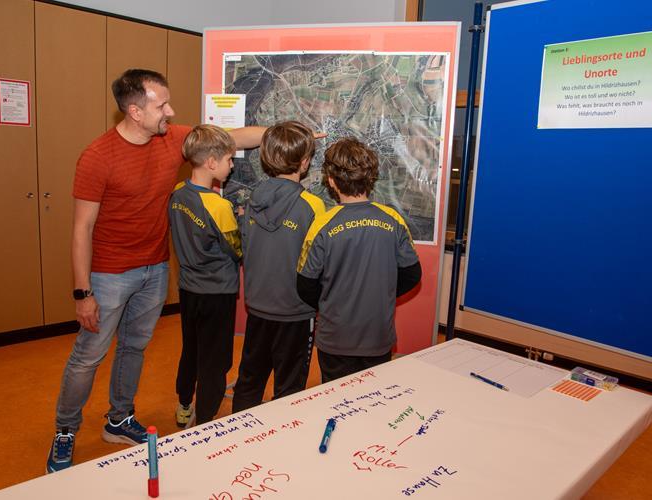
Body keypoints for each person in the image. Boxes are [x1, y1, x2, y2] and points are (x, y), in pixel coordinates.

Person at [47, 69, 265, 473]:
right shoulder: (97, 157)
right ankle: (65, 430)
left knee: (134, 348)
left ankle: (119, 417)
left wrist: (282, 133)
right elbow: (82, 228)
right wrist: (83, 293)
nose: (171, 111)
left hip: (155, 270)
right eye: (161, 105)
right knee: (88, 356)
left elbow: (230, 138)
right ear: (134, 111)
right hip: (109, 276)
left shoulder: (172, 138)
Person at [296, 138, 422, 383]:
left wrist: (329, 302)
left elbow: (305, 284)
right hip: (378, 336)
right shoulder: (392, 219)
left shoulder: (322, 224)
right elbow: (412, 274)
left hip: (335, 336)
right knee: (373, 401)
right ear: (370, 178)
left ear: (331, 181)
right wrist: (380, 295)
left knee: (335, 401)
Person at [231, 121, 325, 413]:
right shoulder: (313, 206)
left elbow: (245, 251)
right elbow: (317, 263)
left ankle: (237, 439)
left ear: (265, 158)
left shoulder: (249, 203)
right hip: (296, 313)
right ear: (306, 163)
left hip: (258, 308)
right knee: (290, 388)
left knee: (249, 380)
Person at [170, 125, 243, 428]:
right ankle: (207, 417)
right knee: (216, 359)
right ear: (212, 162)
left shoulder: (177, 193)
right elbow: (237, 249)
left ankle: (185, 403)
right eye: (229, 159)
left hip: (189, 290)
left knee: (192, 349)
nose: (232, 165)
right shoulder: (219, 205)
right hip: (217, 293)